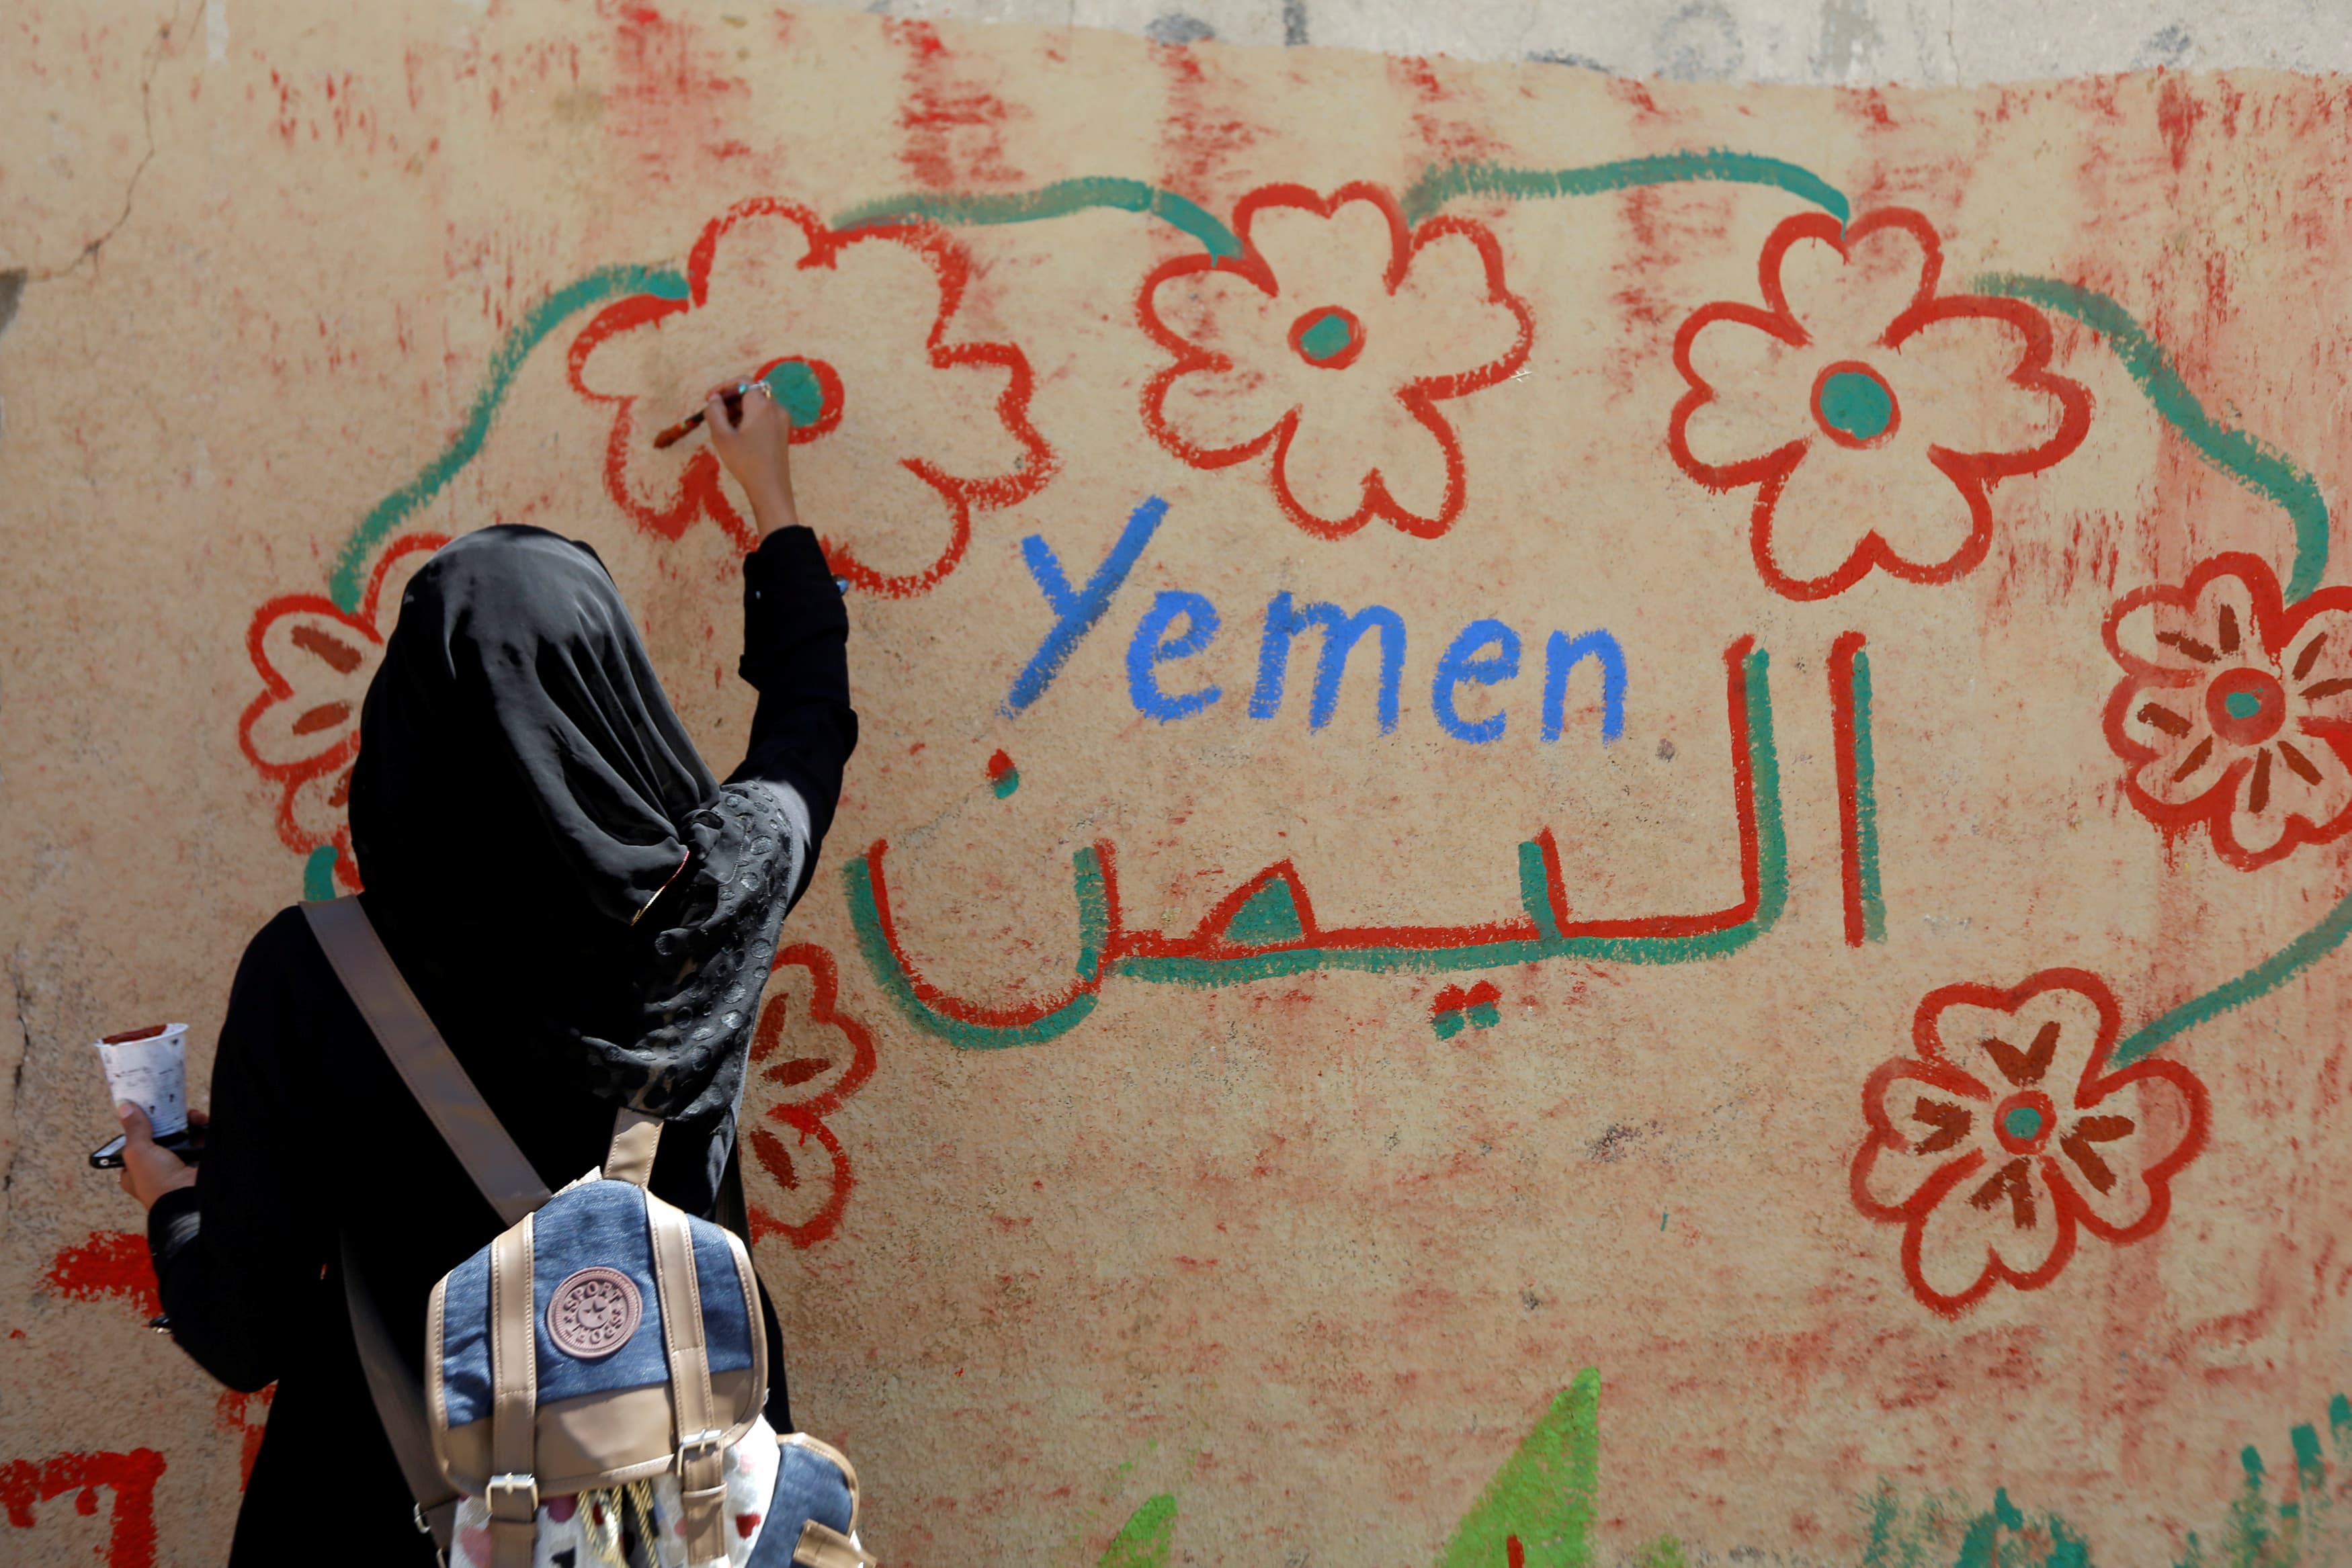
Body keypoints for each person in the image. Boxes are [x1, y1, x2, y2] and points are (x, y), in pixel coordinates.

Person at [113, 384, 854, 1563]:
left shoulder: (316, 972)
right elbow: (810, 726)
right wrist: (770, 496)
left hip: (382, 1515)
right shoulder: (721, 898)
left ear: (406, 721)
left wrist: (169, 1197)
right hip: (679, 1518)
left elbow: (239, 1327)